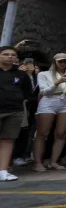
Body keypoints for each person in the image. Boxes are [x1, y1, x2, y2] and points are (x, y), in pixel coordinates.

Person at [33, 53, 66, 171]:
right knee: (42, 133)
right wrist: (58, 81)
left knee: (61, 133)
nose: (63, 64)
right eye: (60, 61)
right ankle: (38, 163)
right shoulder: (43, 74)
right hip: (48, 101)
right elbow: (44, 91)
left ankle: (54, 161)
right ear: (55, 62)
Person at [0, 46, 33, 181]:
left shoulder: (20, 74)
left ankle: (3, 170)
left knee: (8, 140)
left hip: (14, 110)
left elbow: (27, 92)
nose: (10, 57)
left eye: (13, 55)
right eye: (6, 54)